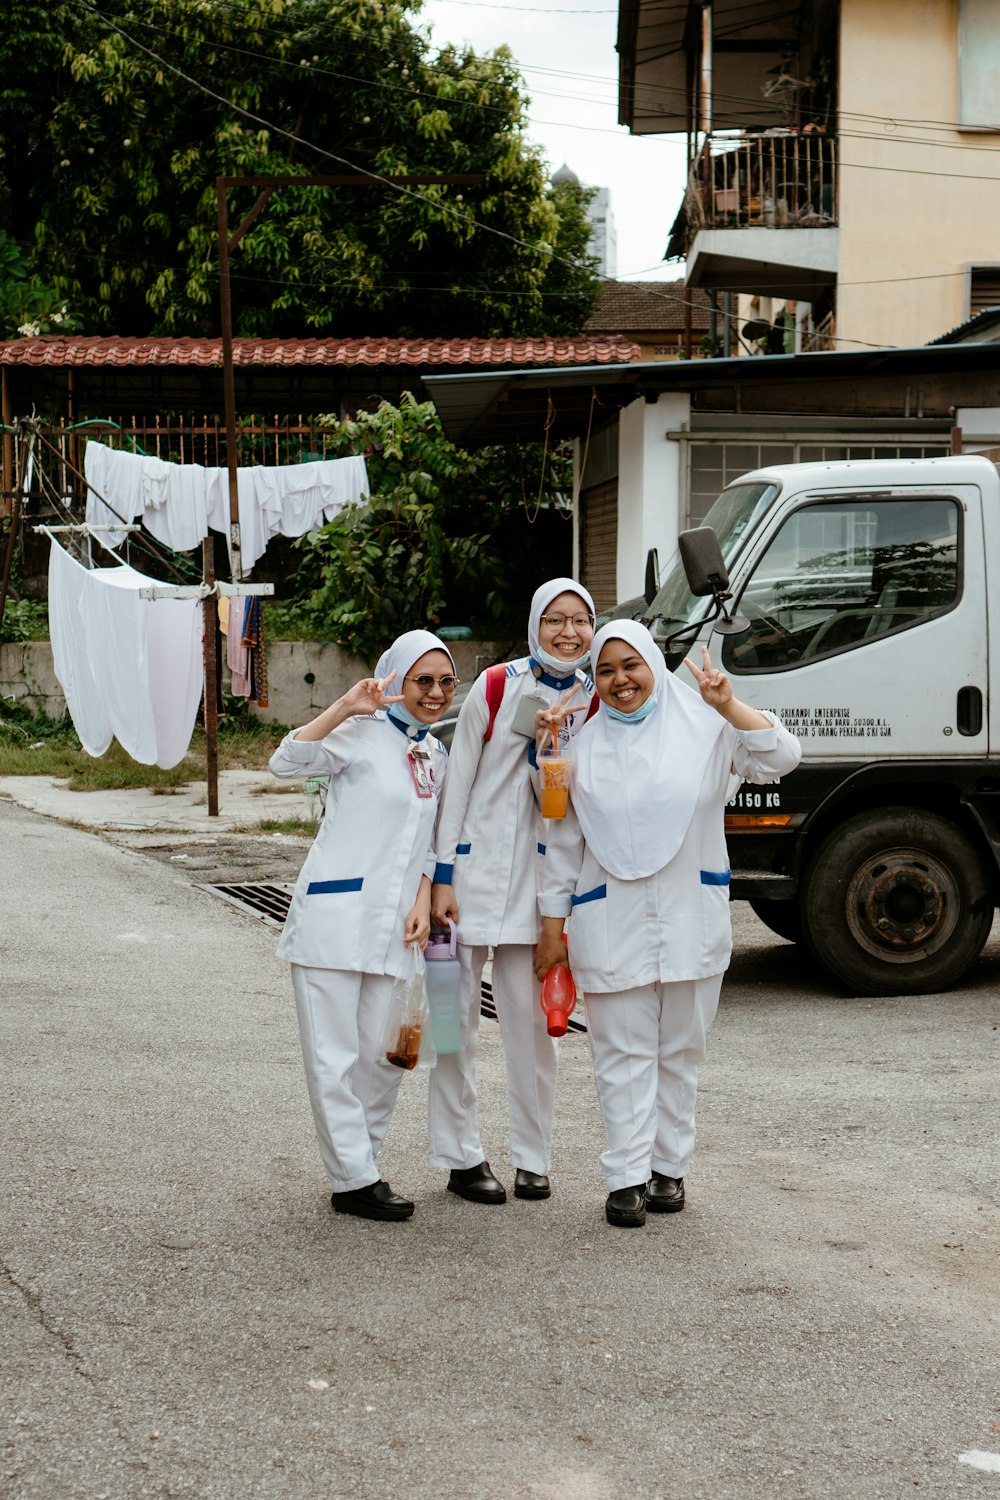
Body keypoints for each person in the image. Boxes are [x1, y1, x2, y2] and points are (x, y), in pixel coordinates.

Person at [533, 620, 801, 1228]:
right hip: (610, 916)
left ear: (654, 664)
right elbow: (562, 838)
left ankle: (668, 1170)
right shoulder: (581, 744)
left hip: (689, 916)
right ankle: (625, 1177)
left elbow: (784, 757)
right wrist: (553, 925)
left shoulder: (707, 729)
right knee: (618, 1052)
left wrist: (728, 704)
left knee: (680, 1049)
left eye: (631, 666)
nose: (620, 680)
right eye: (605, 670)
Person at [269, 629, 457, 1223]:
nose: (433, 693)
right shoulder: (356, 733)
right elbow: (284, 762)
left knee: (386, 1054)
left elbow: (430, 842)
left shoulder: (435, 753)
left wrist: (425, 899)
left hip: (398, 925)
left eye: (444, 682)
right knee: (334, 1055)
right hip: (334, 917)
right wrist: (346, 707)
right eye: (421, 680)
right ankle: (354, 1178)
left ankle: (366, 1164)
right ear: (395, 679)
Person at [429, 578, 597, 1205]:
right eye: (554, 619)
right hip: (465, 885)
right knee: (452, 1022)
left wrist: (551, 751)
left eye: (580, 620)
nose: (567, 632)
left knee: (531, 1028)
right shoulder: (497, 687)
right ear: (535, 623)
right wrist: (441, 876)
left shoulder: (594, 699)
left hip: (538, 890)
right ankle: (459, 1154)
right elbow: (457, 786)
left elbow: (564, 804)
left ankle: (533, 1158)